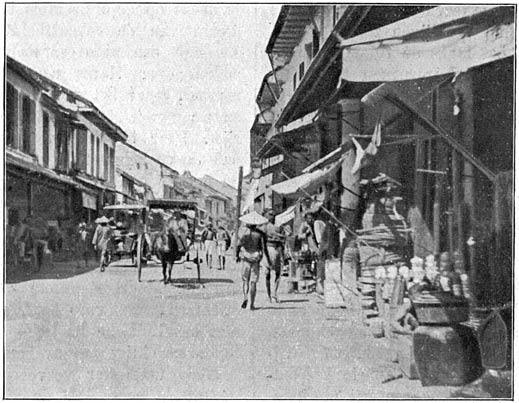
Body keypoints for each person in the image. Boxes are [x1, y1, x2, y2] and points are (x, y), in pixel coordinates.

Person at [236, 212, 271, 311]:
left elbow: (238, 245)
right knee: (253, 282)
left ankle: (245, 297)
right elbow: (264, 248)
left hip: (246, 257)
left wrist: (237, 255)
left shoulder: (244, 234)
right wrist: (267, 259)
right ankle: (252, 304)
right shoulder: (260, 234)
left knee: (245, 280)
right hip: (256, 258)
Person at [297, 208, 327, 295]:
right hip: (309, 246)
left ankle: (318, 282)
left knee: (320, 263)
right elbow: (299, 236)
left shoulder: (317, 224)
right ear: (306, 218)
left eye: (311, 218)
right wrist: (305, 234)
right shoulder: (304, 225)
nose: (310, 219)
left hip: (317, 245)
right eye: (308, 218)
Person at [260, 209, 285, 303]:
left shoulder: (279, 227)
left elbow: (283, 240)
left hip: (277, 249)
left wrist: (283, 253)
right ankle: (268, 294)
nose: (272, 216)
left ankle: (274, 293)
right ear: (266, 216)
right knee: (267, 274)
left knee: (278, 273)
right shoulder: (264, 227)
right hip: (268, 249)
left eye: (273, 215)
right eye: (270, 214)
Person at [156, 218, 183, 285]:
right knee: (157, 238)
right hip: (163, 247)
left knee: (177, 237)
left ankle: (179, 248)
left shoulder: (173, 222)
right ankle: (153, 249)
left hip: (172, 234)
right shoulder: (163, 228)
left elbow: (175, 229)